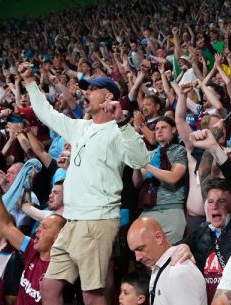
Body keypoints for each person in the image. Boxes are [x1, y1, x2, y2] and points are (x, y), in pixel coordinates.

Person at [19, 62, 148, 305]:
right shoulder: (81, 127)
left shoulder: (117, 130)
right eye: (85, 90)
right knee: (48, 286)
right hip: (72, 221)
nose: (85, 93)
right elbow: (46, 113)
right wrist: (29, 82)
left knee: (92, 295)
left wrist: (123, 123)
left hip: (97, 220)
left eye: (92, 90)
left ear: (108, 96)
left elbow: (140, 159)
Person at [178, 129, 231, 302]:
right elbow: (180, 246)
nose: (214, 205)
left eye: (221, 201)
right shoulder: (202, 231)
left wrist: (215, 148)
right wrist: (183, 247)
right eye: (211, 201)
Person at [0, 169, 67, 305]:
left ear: (57, 237)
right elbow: (5, 224)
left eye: (45, 227)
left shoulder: (60, 270)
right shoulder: (31, 249)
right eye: (40, 225)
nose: (38, 229)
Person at [132, 116, 188, 243]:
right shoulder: (150, 155)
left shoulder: (179, 150)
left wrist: (145, 165)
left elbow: (173, 177)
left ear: (173, 129)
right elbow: (137, 183)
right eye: (157, 128)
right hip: (149, 210)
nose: (159, 131)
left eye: (163, 127)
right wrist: (136, 166)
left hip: (172, 208)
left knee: (172, 254)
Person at [126, 217, 206, 305]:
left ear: (159, 238)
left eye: (141, 248)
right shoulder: (161, 267)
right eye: (134, 252)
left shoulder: (178, 272)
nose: (137, 258)